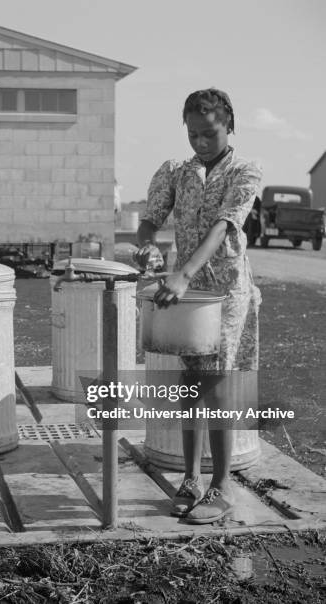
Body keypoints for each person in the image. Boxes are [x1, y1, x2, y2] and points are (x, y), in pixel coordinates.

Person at [136, 88, 262, 524]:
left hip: (225, 290)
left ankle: (222, 486)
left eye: (209, 134)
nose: (201, 143)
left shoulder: (245, 172)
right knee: (191, 384)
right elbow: (150, 218)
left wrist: (184, 272)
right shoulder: (176, 170)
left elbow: (224, 226)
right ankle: (191, 478)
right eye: (193, 134)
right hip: (185, 291)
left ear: (230, 126)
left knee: (216, 384)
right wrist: (149, 248)